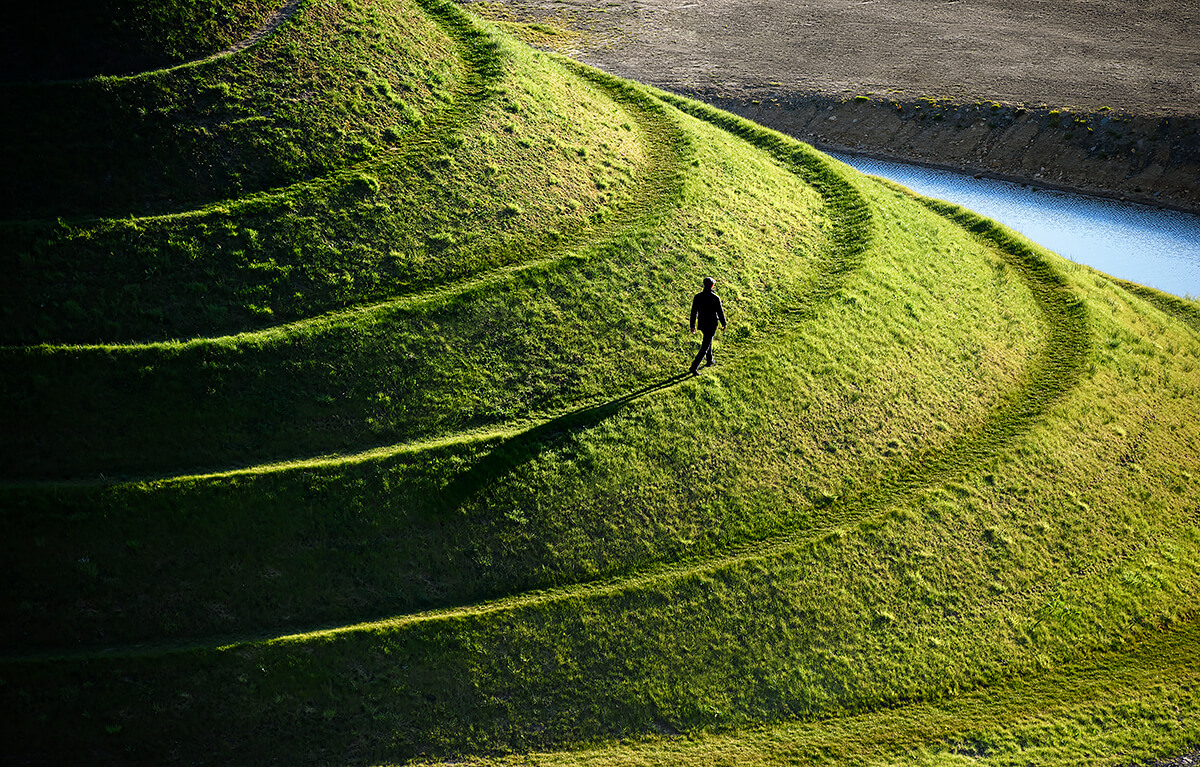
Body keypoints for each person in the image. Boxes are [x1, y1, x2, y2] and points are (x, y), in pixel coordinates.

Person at [689, 276, 727, 375]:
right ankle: (694, 366)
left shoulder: (697, 297)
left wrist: (692, 325)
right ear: (712, 285)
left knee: (707, 339)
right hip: (712, 324)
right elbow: (720, 312)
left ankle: (709, 360)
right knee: (705, 346)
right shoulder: (715, 298)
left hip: (702, 323)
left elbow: (693, 312)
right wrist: (724, 323)